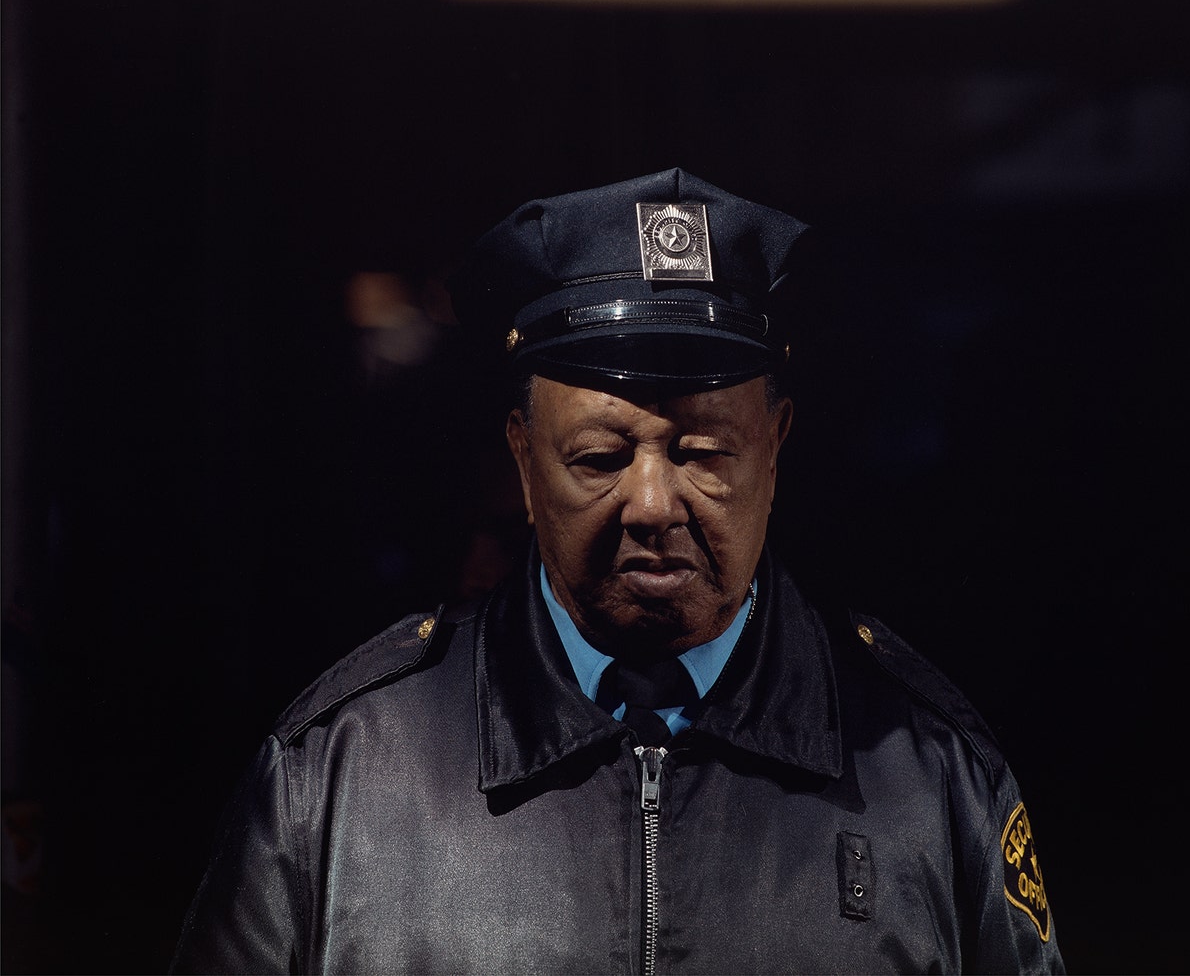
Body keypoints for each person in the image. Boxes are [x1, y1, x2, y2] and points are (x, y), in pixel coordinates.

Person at [172, 169, 1064, 974]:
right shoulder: (341, 771)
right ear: (524, 462)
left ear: (775, 449)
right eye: (599, 458)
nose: (652, 503)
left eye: (703, 453)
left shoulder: (928, 769)